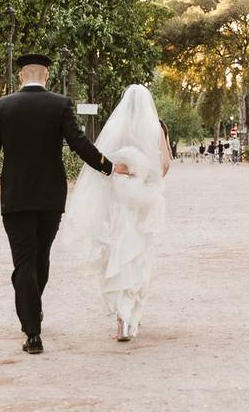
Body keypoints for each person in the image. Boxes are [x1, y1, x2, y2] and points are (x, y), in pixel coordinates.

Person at [0, 53, 129, 355]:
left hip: (16, 198)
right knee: (40, 258)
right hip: (50, 198)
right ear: (46, 75)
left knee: (24, 263)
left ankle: (32, 332)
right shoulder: (60, 104)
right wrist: (109, 167)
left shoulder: (2, 106)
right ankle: (33, 312)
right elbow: (80, 144)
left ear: (21, 77)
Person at [64, 84, 171, 342]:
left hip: (119, 204)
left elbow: (103, 165)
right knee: (139, 257)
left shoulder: (116, 128)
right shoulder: (155, 128)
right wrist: (148, 183)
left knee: (119, 255)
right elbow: (165, 164)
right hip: (143, 205)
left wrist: (122, 183)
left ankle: (121, 322)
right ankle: (133, 319)